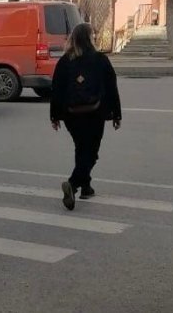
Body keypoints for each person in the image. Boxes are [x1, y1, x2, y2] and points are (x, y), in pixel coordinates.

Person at [50, 23, 122, 211]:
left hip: (71, 115)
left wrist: (55, 116)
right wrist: (116, 114)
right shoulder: (100, 59)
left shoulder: (65, 61)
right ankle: (73, 184)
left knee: (81, 148)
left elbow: (56, 89)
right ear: (90, 38)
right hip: (95, 112)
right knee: (91, 153)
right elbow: (112, 87)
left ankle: (86, 187)